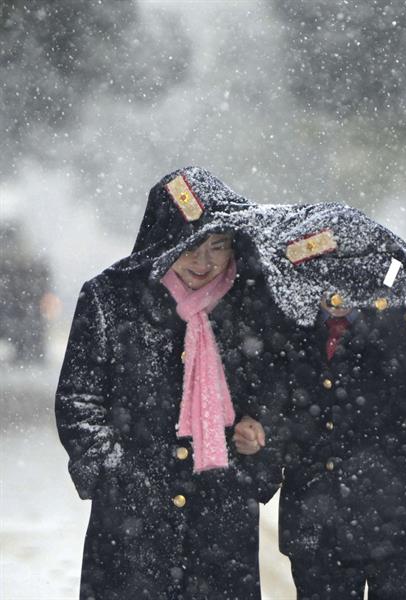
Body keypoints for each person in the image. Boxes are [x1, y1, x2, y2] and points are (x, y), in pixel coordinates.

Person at [236, 202, 406, 600]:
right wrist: (259, 448)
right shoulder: (283, 334)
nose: (336, 293)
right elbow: (270, 415)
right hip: (317, 528)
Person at [55, 167, 289, 599]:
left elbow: (277, 390)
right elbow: (78, 400)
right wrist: (116, 474)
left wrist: (260, 435)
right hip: (132, 520)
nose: (205, 263)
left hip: (221, 513)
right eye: (191, 246)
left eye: (218, 246)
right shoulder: (111, 298)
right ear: (164, 242)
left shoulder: (249, 303)